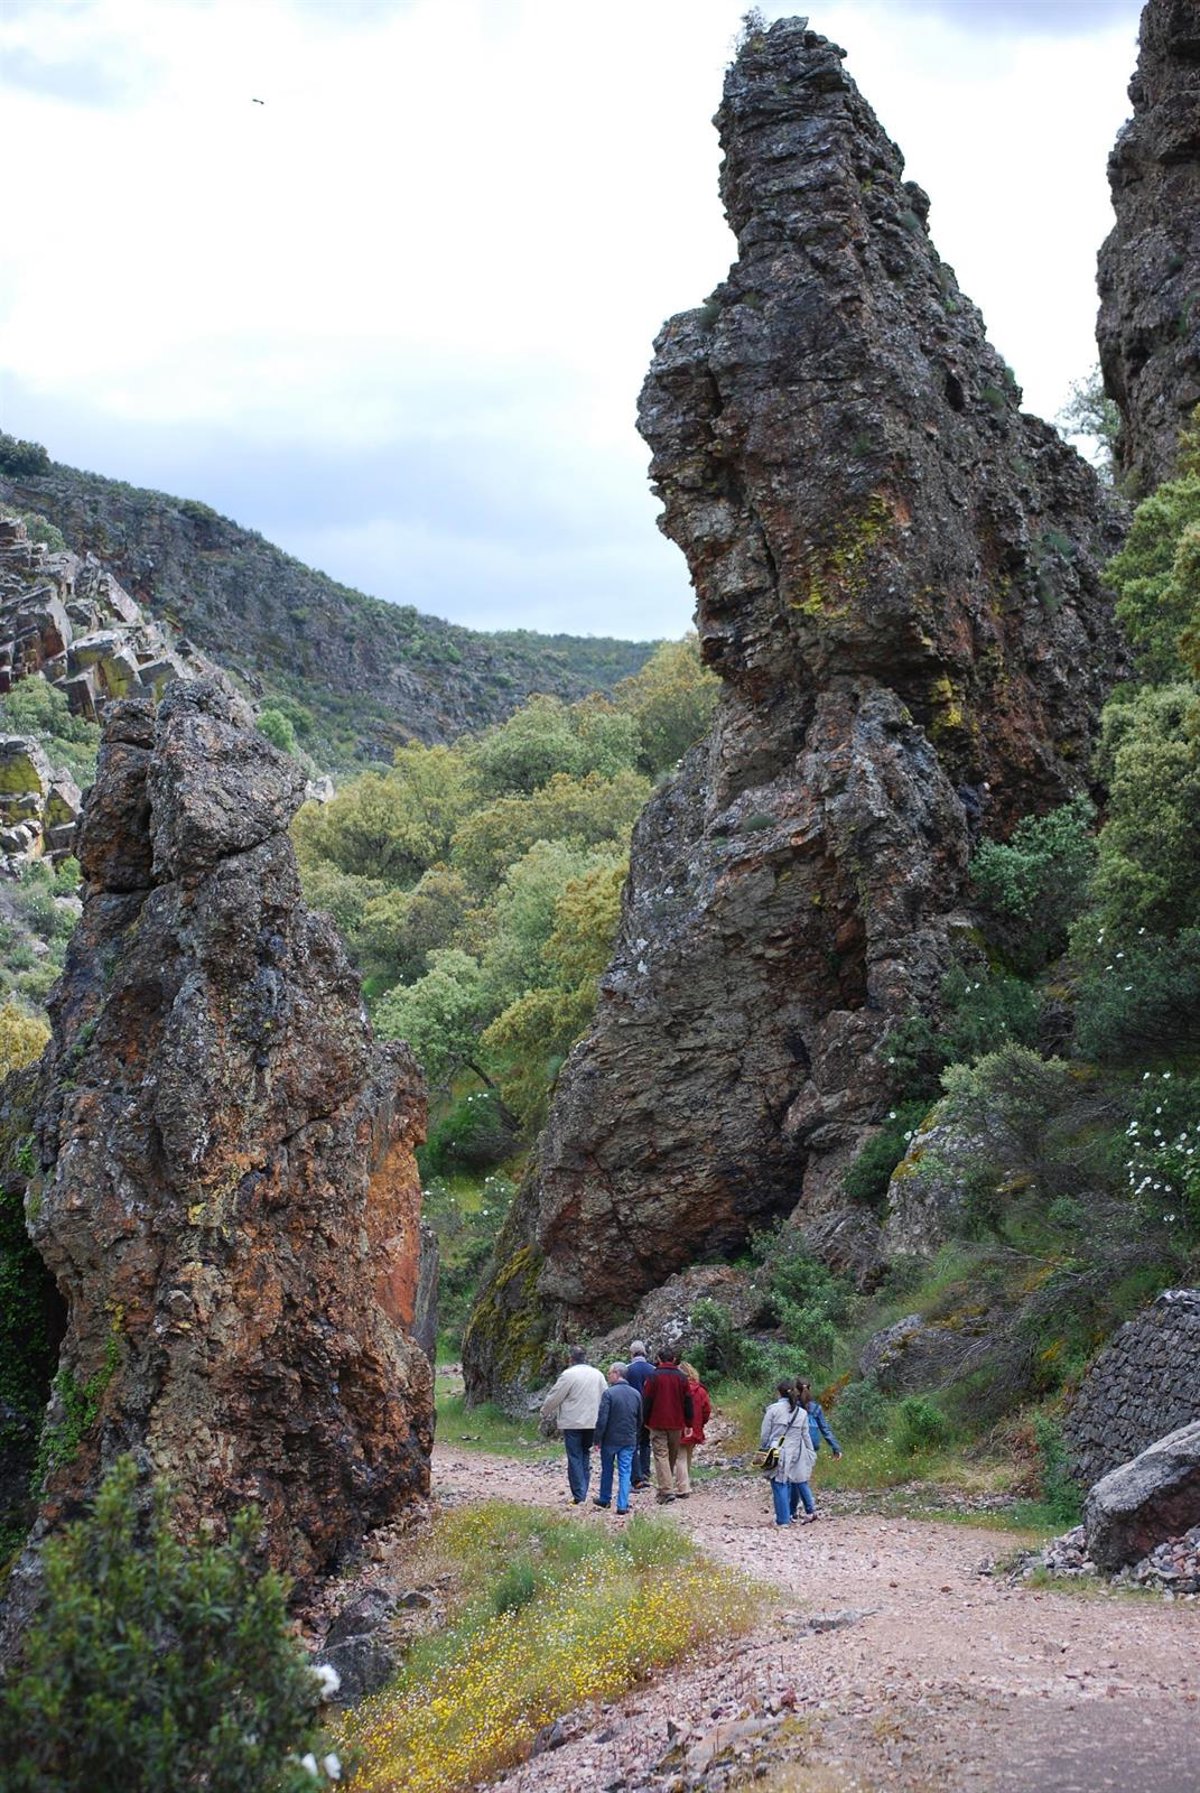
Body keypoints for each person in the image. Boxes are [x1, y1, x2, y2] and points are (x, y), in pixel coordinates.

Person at [540, 1346, 607, 1505]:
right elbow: (606, 1396)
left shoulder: (568, 1375)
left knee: (574, 1456)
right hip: (592, 1421)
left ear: (571, 1359)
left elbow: (555, 1396)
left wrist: (544, 1411)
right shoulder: (597, 1374)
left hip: (572, 1422)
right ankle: (583, 1488)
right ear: (585, 1358)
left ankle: (579, 1493)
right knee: (585, 1454)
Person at [759, 1380, 816, 1526]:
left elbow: (765, 1433)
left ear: (779, 1393)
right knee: (793, 1481)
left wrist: (764, 1448)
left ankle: (783, 1519)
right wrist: (810, 1452)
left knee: (779, 1483)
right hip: (796, 1451)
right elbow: (805, 1435)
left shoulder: (773, 1410)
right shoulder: (801, 1413)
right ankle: (791, 1513)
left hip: (778, 1450)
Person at [641, 1348, 693, 1503]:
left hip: (657, 1422)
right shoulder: (682, 1378)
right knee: (671, 1454)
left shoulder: (653, 1376)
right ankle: (666, 1487)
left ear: (659, 1359)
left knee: (661, 1455)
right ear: (674, 1359)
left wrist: (644, 1420)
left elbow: (647, 1400)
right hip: (676, 1422)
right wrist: (689, 1423)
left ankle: (666, 1489)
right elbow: (688, 1401)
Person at [592, 1362, 643, 1515]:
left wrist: (597, 1439)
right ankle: (622, 1504)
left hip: (610, 1438)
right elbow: (640, 1418)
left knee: (607, 1469)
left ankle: (605, 1497)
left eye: (609, 1373)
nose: (608, 1376)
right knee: (625, 1471)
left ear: (616, 1373)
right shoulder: (636, 1394)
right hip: (628, 1438)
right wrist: (635, 1434)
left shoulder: (609, 1394)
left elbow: (602, 1419)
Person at [795, 1378, 842, 1519]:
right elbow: (825, 1429)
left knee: (796, 1478)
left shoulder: (793, 1407)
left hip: (797, 1445)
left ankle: (800, 1509)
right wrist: (836, 1448)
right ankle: (803, 1509)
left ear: (796, 1390)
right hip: (812, 1445)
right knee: (802, 1477)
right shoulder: (816, 1408)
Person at [677, 1361, 712, 1499]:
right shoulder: (701, 1391)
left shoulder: (677, 1390)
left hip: (680, 1427)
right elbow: (707, 1410)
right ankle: (685, 1482)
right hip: (695, 1427)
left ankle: (683, 1487)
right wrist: (701, 1423)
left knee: (680, 1457)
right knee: (688, 1455)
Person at [624, 1340, 654, 1489]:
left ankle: (636, 1476)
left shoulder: (627, 1370)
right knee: (646, 1442)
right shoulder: (653, 1369)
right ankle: (645, 1471)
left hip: (632, 1412)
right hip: (649, 1411)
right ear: (644, 1352)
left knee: (633, 1444)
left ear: (631, 1353)